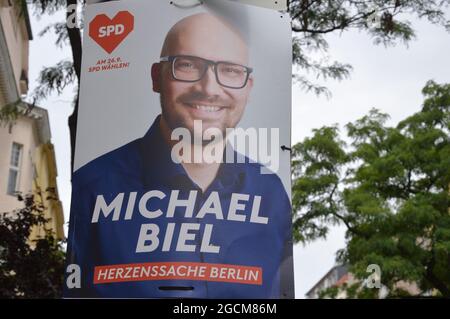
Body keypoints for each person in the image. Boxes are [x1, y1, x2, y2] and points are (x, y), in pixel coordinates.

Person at [65, 12, 293, 299]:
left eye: (231, 70)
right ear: (156, 77)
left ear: (248, 87)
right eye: (187, 65)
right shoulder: (94, 184)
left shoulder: (270, 192)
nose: (209, 89)